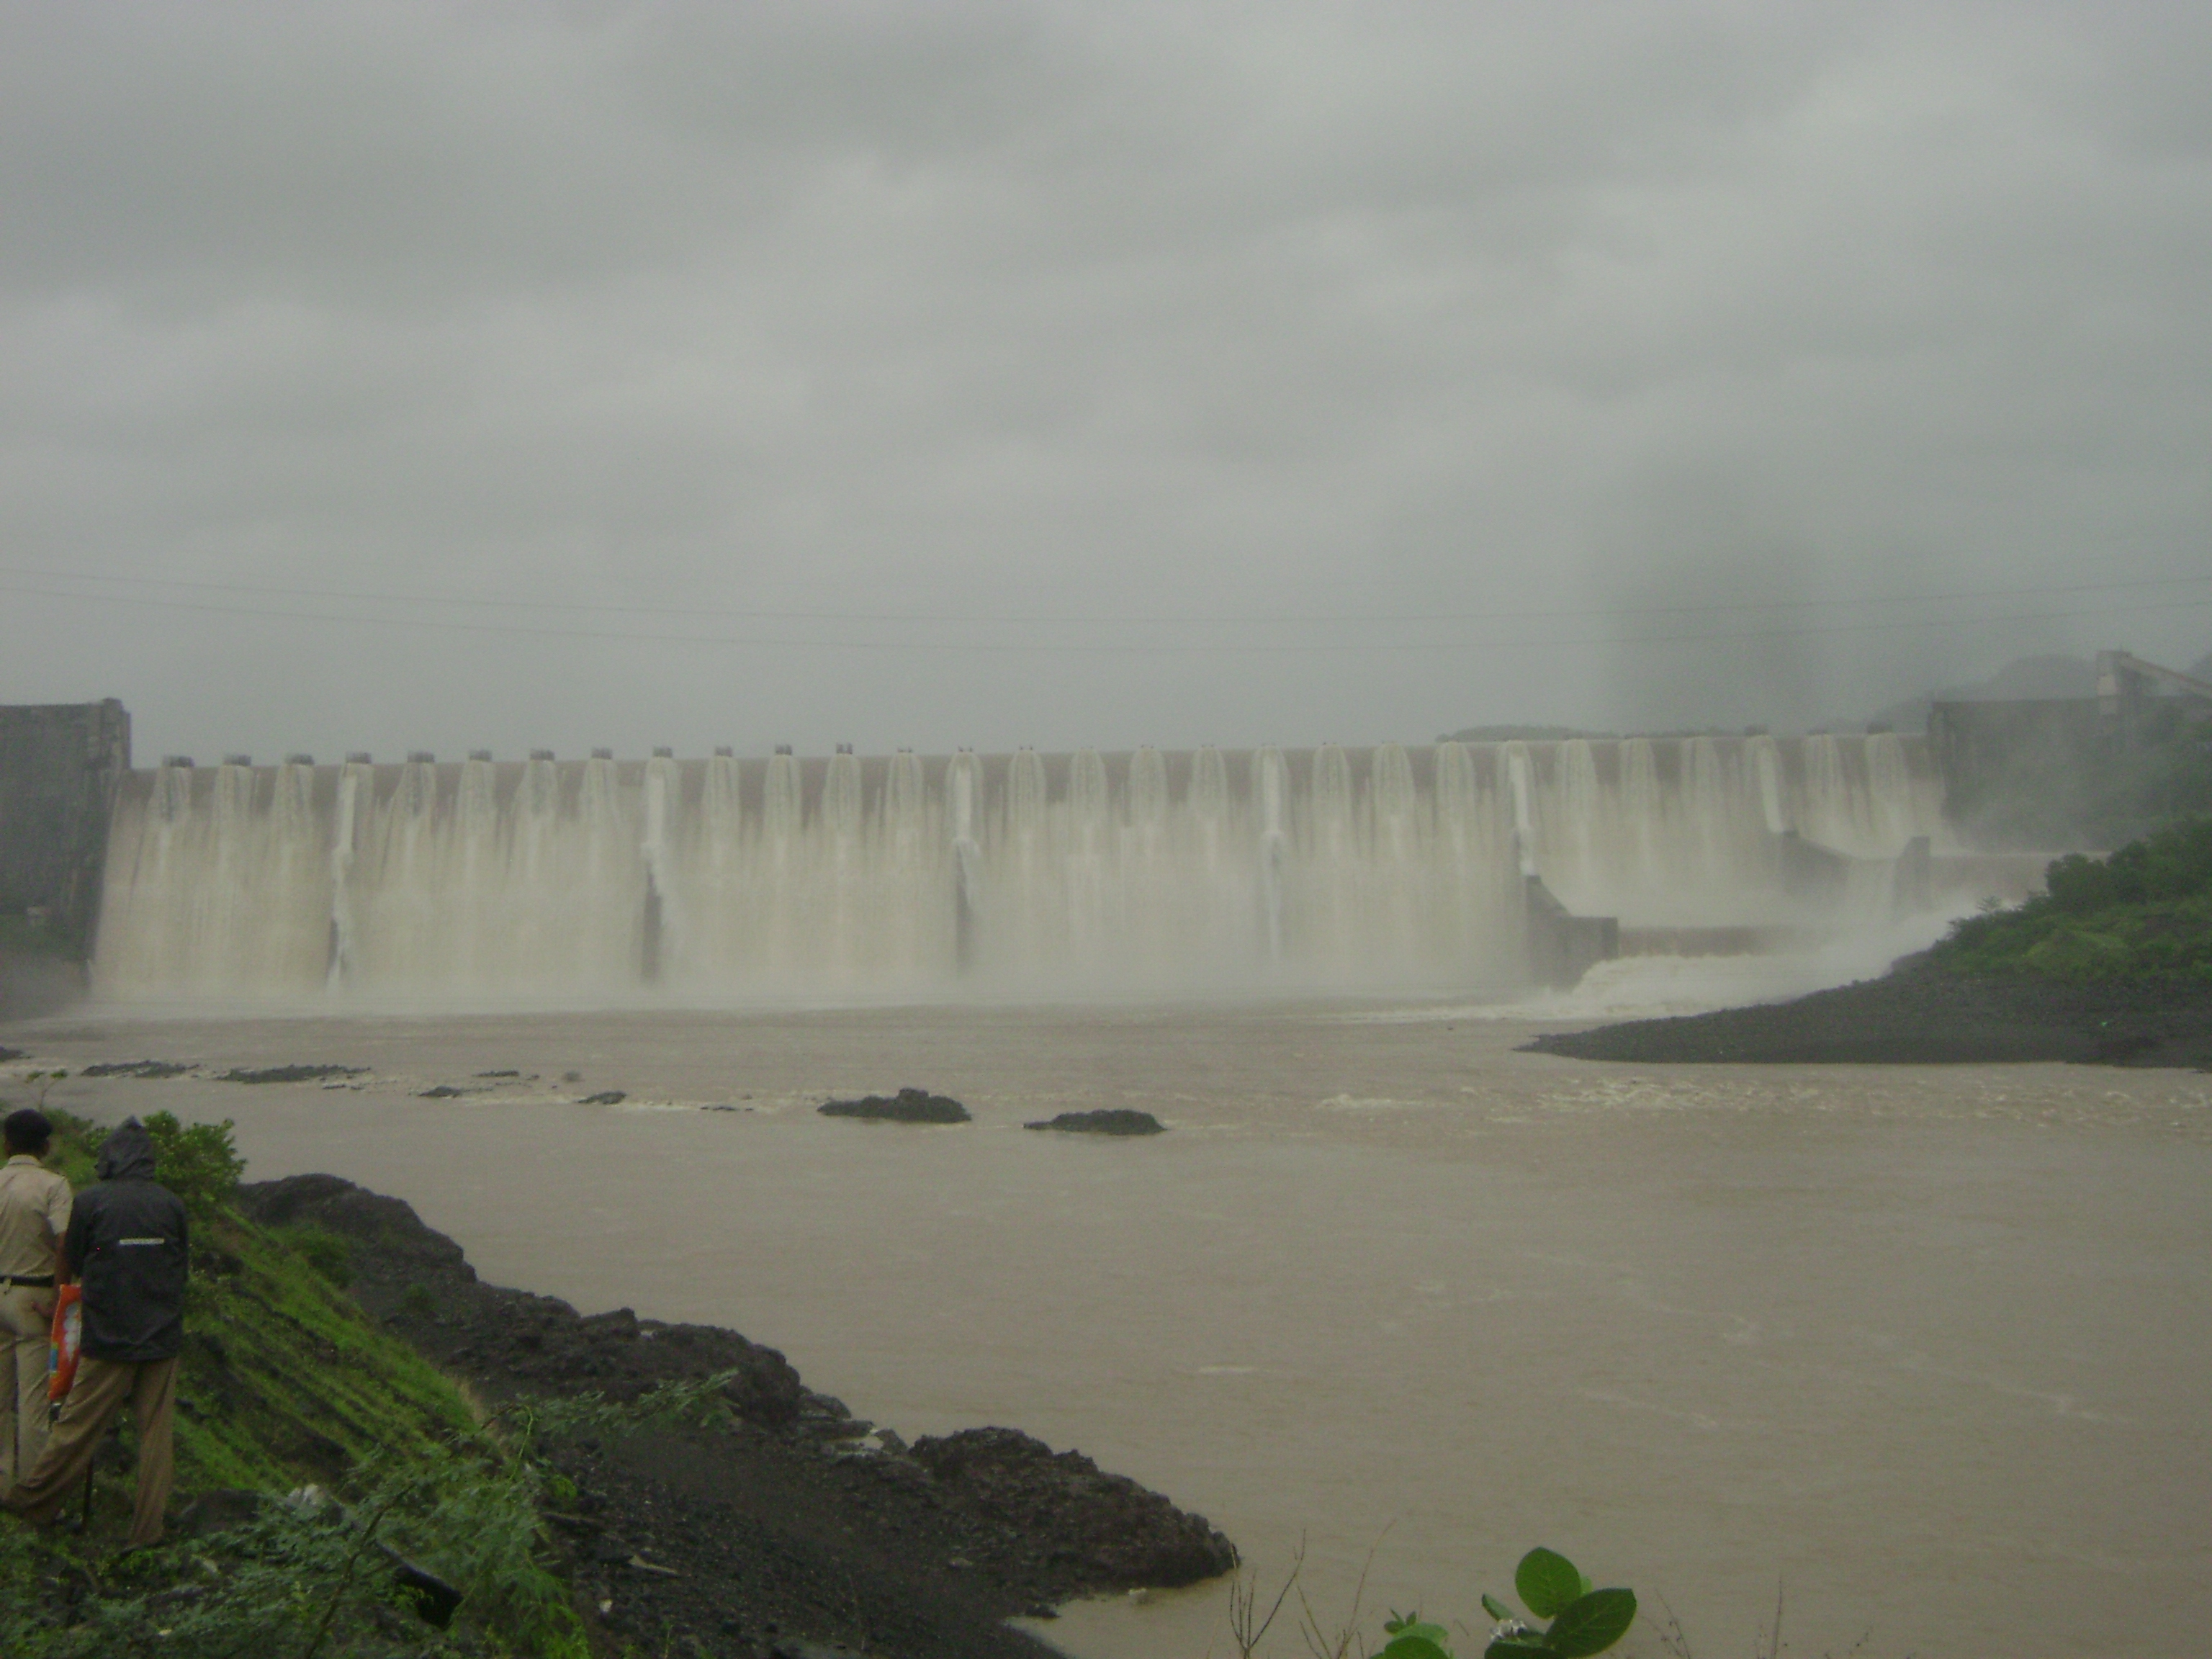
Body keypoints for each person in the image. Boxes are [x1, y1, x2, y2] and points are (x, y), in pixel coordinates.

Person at [2, 1118, 188, 1547]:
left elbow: (78, 1259)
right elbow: (179, 1263)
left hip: (108, 1336)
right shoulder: (171, 1204)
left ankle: (33, 1504)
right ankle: (148, 1532)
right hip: (161, 1336)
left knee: (76, 1427)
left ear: (110, 1158)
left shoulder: (91, 1201)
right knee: (156, 1438)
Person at [0, 1107, 71, 1491]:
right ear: (45, 1146)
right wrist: (60, 1298)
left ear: (7, 1143)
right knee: (33, 1401)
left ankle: (2, 1481)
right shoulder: (54, 1186)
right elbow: (64, 1242)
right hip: (34, 1295)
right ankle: (32, 1489)